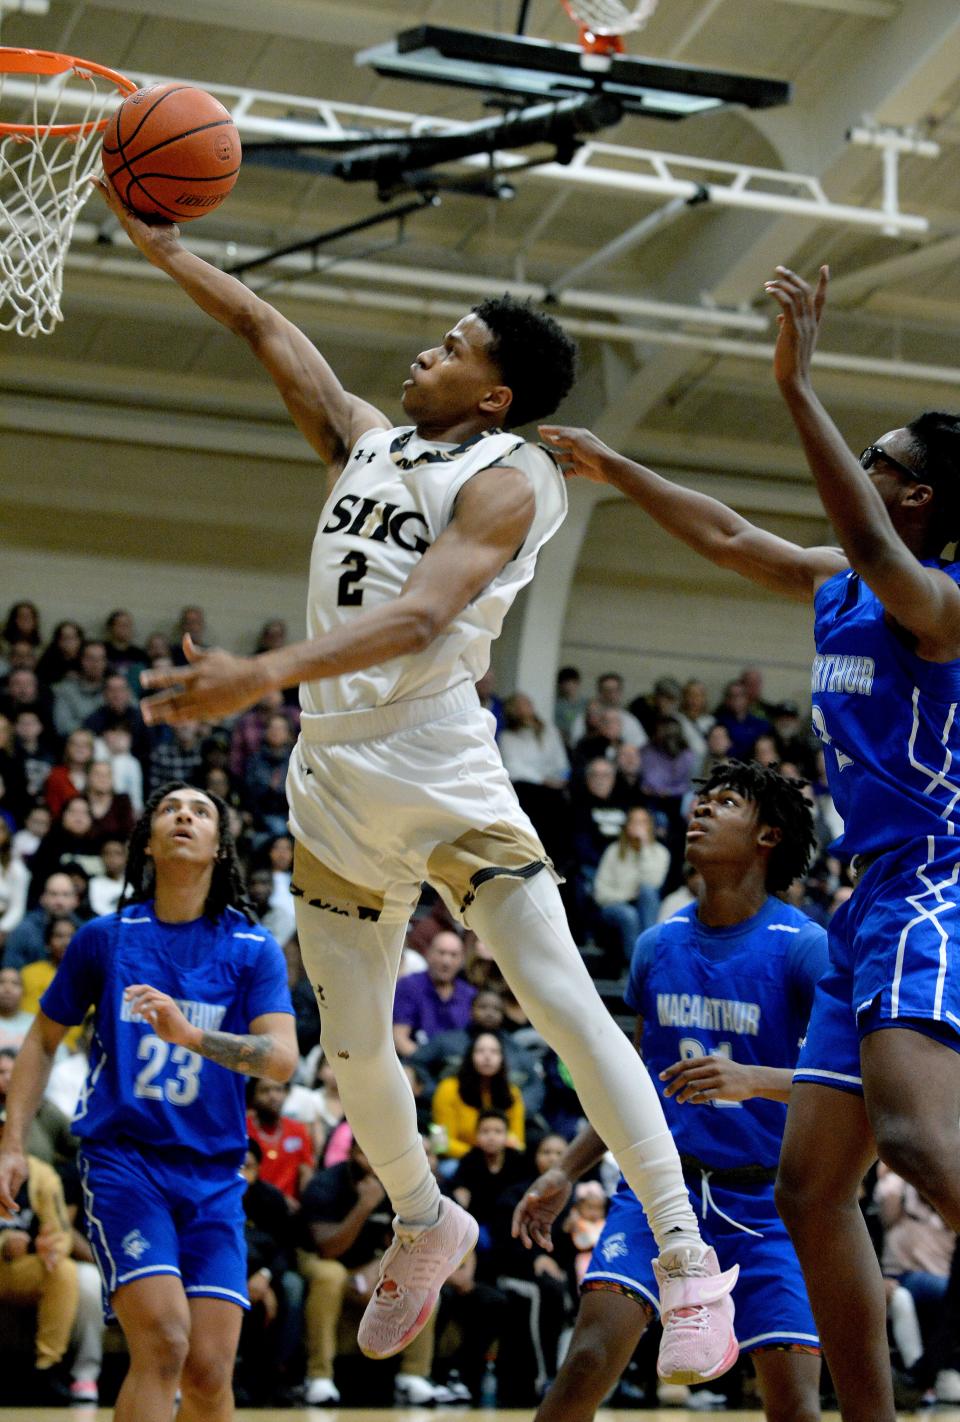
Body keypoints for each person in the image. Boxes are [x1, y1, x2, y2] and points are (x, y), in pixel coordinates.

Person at [99, 172, 740, 1385]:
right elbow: (267, 330)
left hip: (440, 766)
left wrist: (262, 672)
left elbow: (425, 613)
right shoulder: (367, 439)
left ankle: (684, 1252)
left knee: (560, 999)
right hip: (334, 778)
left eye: (451, 347)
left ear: (493, 394)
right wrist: (166, 248)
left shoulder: (515, 478)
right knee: (353, 1050)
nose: (423, 351)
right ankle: (423, 1220)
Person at [539, 260, 960, 1422]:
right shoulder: (839, 583)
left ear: (919, 498)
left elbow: (879, 555)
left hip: (943, 879)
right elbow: (730, 535)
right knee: (813, 1187)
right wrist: (614, 468)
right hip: (872, 895)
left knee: (920, 1145)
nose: (864, 479)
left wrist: (796, 384)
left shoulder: (943, 595)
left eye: (882, 466)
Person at [514, 761, 827, 1422]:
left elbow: (854, 1082)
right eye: (700, 802)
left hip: (767, 1201)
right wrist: (566, 1170)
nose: (701, 812)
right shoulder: (656, 946)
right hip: (660, 1189)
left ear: (768, 836)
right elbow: (629, 1087)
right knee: (587, 1362)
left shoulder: (803, 947)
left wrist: (757, 1081)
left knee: (795, 1404)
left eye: (726, 803)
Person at [0, 781, 298, 1422]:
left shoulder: (252, 949)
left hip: (214, 1173)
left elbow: (280, 1058)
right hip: (125, 1163)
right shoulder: (105, 939)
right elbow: (41, 1043)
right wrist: (11, 1145)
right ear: (147, 844)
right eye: (170, 809)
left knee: (211, 1370)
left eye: (201, 811)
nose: (185, 816)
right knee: (163, 1343)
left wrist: (191, 1037)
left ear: (221, 847)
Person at [591, 806, 670, 965]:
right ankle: (638, 965)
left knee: (647, 892)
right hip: (614, 905)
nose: (638, 826)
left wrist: (644, 848)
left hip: (645, 906)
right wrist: (627, 896)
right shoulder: (613, 851)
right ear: (627, 826)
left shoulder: (660, 852)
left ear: (650, 826)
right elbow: (600, 893)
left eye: (643, 822)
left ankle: (649, 953)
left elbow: (653, 883)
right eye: (634, 822)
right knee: (629, 914)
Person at [432, 1031, 527, 1160]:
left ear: (502, 1059)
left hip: (500, 1163)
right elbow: (440, 1144)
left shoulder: (513, 1093)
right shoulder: (447, 1088)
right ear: (469, 1056)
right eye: (480, 1051)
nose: (487, 1056)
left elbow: (519, 1142)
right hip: (459, 1162)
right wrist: (480, 1157)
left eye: (494, 1052)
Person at [393, 928, 475, 1058]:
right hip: (417, 1063)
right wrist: (428, 1063)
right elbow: (399, 1038)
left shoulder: (470, 994)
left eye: (453, 955)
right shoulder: (408, 985)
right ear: (428, 954)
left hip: (458, 1066)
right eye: (441, 953)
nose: (446, 962)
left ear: (462, 960)